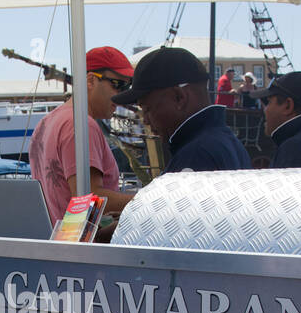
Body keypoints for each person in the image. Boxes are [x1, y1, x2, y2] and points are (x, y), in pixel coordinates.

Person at [28, 47, 137, 226]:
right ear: (90, 80)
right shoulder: (82, 124)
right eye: (118, 85)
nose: (124, 95)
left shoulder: (45, 123)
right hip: (86, 250)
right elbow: (88, 200)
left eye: (128, 86)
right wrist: (147, 202)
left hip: (59, 243)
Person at [113, 47, 252, 172]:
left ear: (179, 97)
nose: (146, 120)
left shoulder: (195, 155)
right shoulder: (230, 143)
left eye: (147, 109)